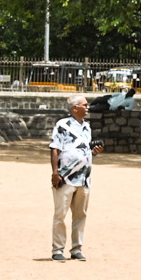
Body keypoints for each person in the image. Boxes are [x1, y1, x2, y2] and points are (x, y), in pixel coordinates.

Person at [50, 95, 102, 262]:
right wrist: (55, 172)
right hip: (65, 177)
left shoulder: (87, 127)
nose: (88, 107)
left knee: (80, 214)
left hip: (84, 178)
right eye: (84, 105)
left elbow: (83, 149)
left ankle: (76, 248)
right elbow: (55, 148)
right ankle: (58, 249)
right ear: (74, 108)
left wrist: (93, 152)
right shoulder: (62, 125)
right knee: (60, 214)